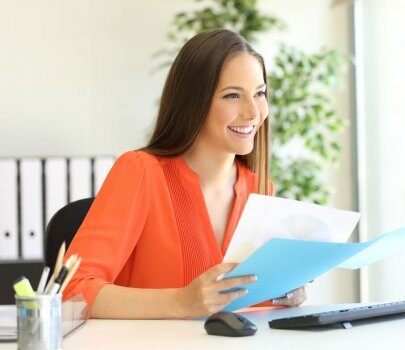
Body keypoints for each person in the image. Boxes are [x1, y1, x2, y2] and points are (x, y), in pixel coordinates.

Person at [63, 29, 307, 319]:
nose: (253, 112)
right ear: (194, 102)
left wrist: (282, 293)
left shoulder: (261, 189)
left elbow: (244, 309)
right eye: (232, 95)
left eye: (260, 94)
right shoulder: (140, 172)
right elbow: (71, 293)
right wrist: (180, 302)